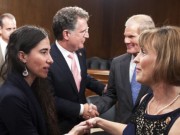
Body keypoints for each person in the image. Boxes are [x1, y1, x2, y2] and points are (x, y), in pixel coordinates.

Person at [86, 26, 180, 135]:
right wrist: (98, 121)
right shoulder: (147, 100)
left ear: (165, 60)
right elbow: (132, 131)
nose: (136, 59)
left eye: (143, 52)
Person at [0, 25, 90, 135]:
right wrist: (73, 133)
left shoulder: (36, 86)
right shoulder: (12, 97)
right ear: (23, 56)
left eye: (49, 52)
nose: (51, 60)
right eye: (43, 52)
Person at [48, 6, 105, 134]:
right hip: (61, 127)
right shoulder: (48, 58)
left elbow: (81, 76)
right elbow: (49, 99)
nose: (88, 35)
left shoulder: (80, 51)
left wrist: (103, 88)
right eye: (83, 31)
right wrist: (80, 109)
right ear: (66, 34)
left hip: (83, 125)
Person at [90, 14, 155, 124]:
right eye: (125, 36)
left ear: (146, 36)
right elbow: (111, 94)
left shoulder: (159, 64)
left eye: (131, 36)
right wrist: (95, 108)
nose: (125, 41)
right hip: (121, 127)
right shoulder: (117, 63)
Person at [0, 13, 16, 85]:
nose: (13, 32)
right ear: (0, 29)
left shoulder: (20, 46)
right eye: (9, 29)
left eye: (14, 28)